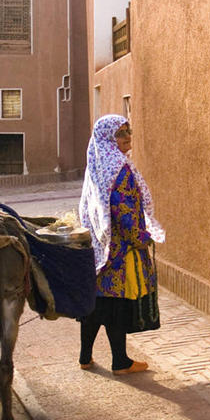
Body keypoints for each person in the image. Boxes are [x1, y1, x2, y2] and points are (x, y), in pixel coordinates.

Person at [77, 114, 165, 374]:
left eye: (128, 131)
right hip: (119, 250)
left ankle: (85, 357)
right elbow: (123, 209)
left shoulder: (96, 164)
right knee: (115, 305)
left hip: (99, 245)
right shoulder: (119, 168)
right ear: (108, 138)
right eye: (120, 133)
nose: (127, 137)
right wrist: (141, 238)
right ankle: (120, 362)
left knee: (97, 303)